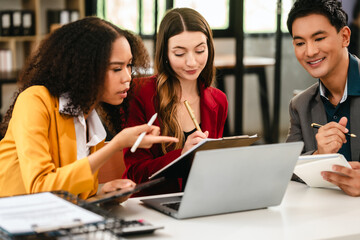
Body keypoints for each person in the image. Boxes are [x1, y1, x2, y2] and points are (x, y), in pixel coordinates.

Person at [0, 17, 178, 200]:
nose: (127, 77)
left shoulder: (90, 118)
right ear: (84, 68)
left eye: (129, 66)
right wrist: (116, 145)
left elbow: (75, 195)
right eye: (117, 69)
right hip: (13, 219)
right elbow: (41, 188)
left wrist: (105, 195)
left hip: (56, 220)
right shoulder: (35, 100)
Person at [123, 8, 228, 195]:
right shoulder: (140, 93)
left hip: (200, 199)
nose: (192, 62)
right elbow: (135, 173)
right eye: (179, 54)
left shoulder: (218, 100)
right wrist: (181, 156)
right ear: (165, 53)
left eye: (200, 51)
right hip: (152, 204)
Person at [286, 0, 360, 196]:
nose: (310, 51)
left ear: (344, 37)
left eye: (318, 38)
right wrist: (319, 156)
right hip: (326, 218)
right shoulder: (300, 105)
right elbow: (287, 168)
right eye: (300, 43)